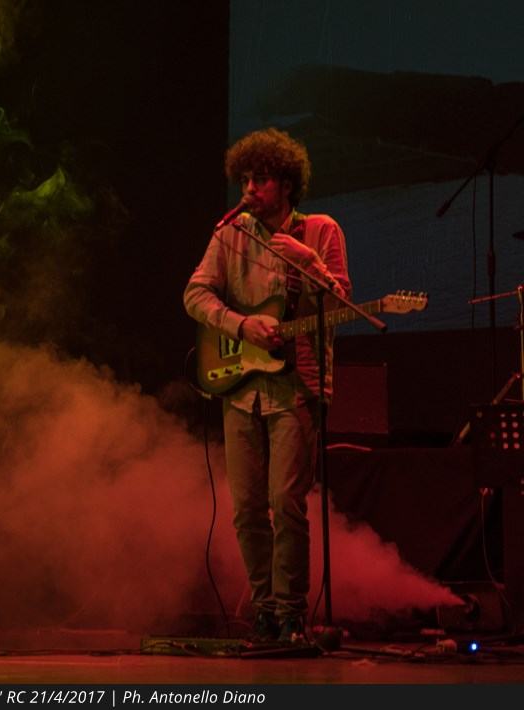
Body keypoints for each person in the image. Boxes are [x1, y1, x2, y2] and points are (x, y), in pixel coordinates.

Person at [183, 128, 351, 643]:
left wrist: (309, 262)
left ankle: (292, 613)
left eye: (260, 180)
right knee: (246, 509)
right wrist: (240, 325)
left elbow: (343, 305)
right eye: (245, 180)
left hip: (297, 388)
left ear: (287, 183)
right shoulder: (230, 234)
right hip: (240, 388)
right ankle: (264, 611)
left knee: (288, 503)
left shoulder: (321, 231)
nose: (250, 189)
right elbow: (195, 293)